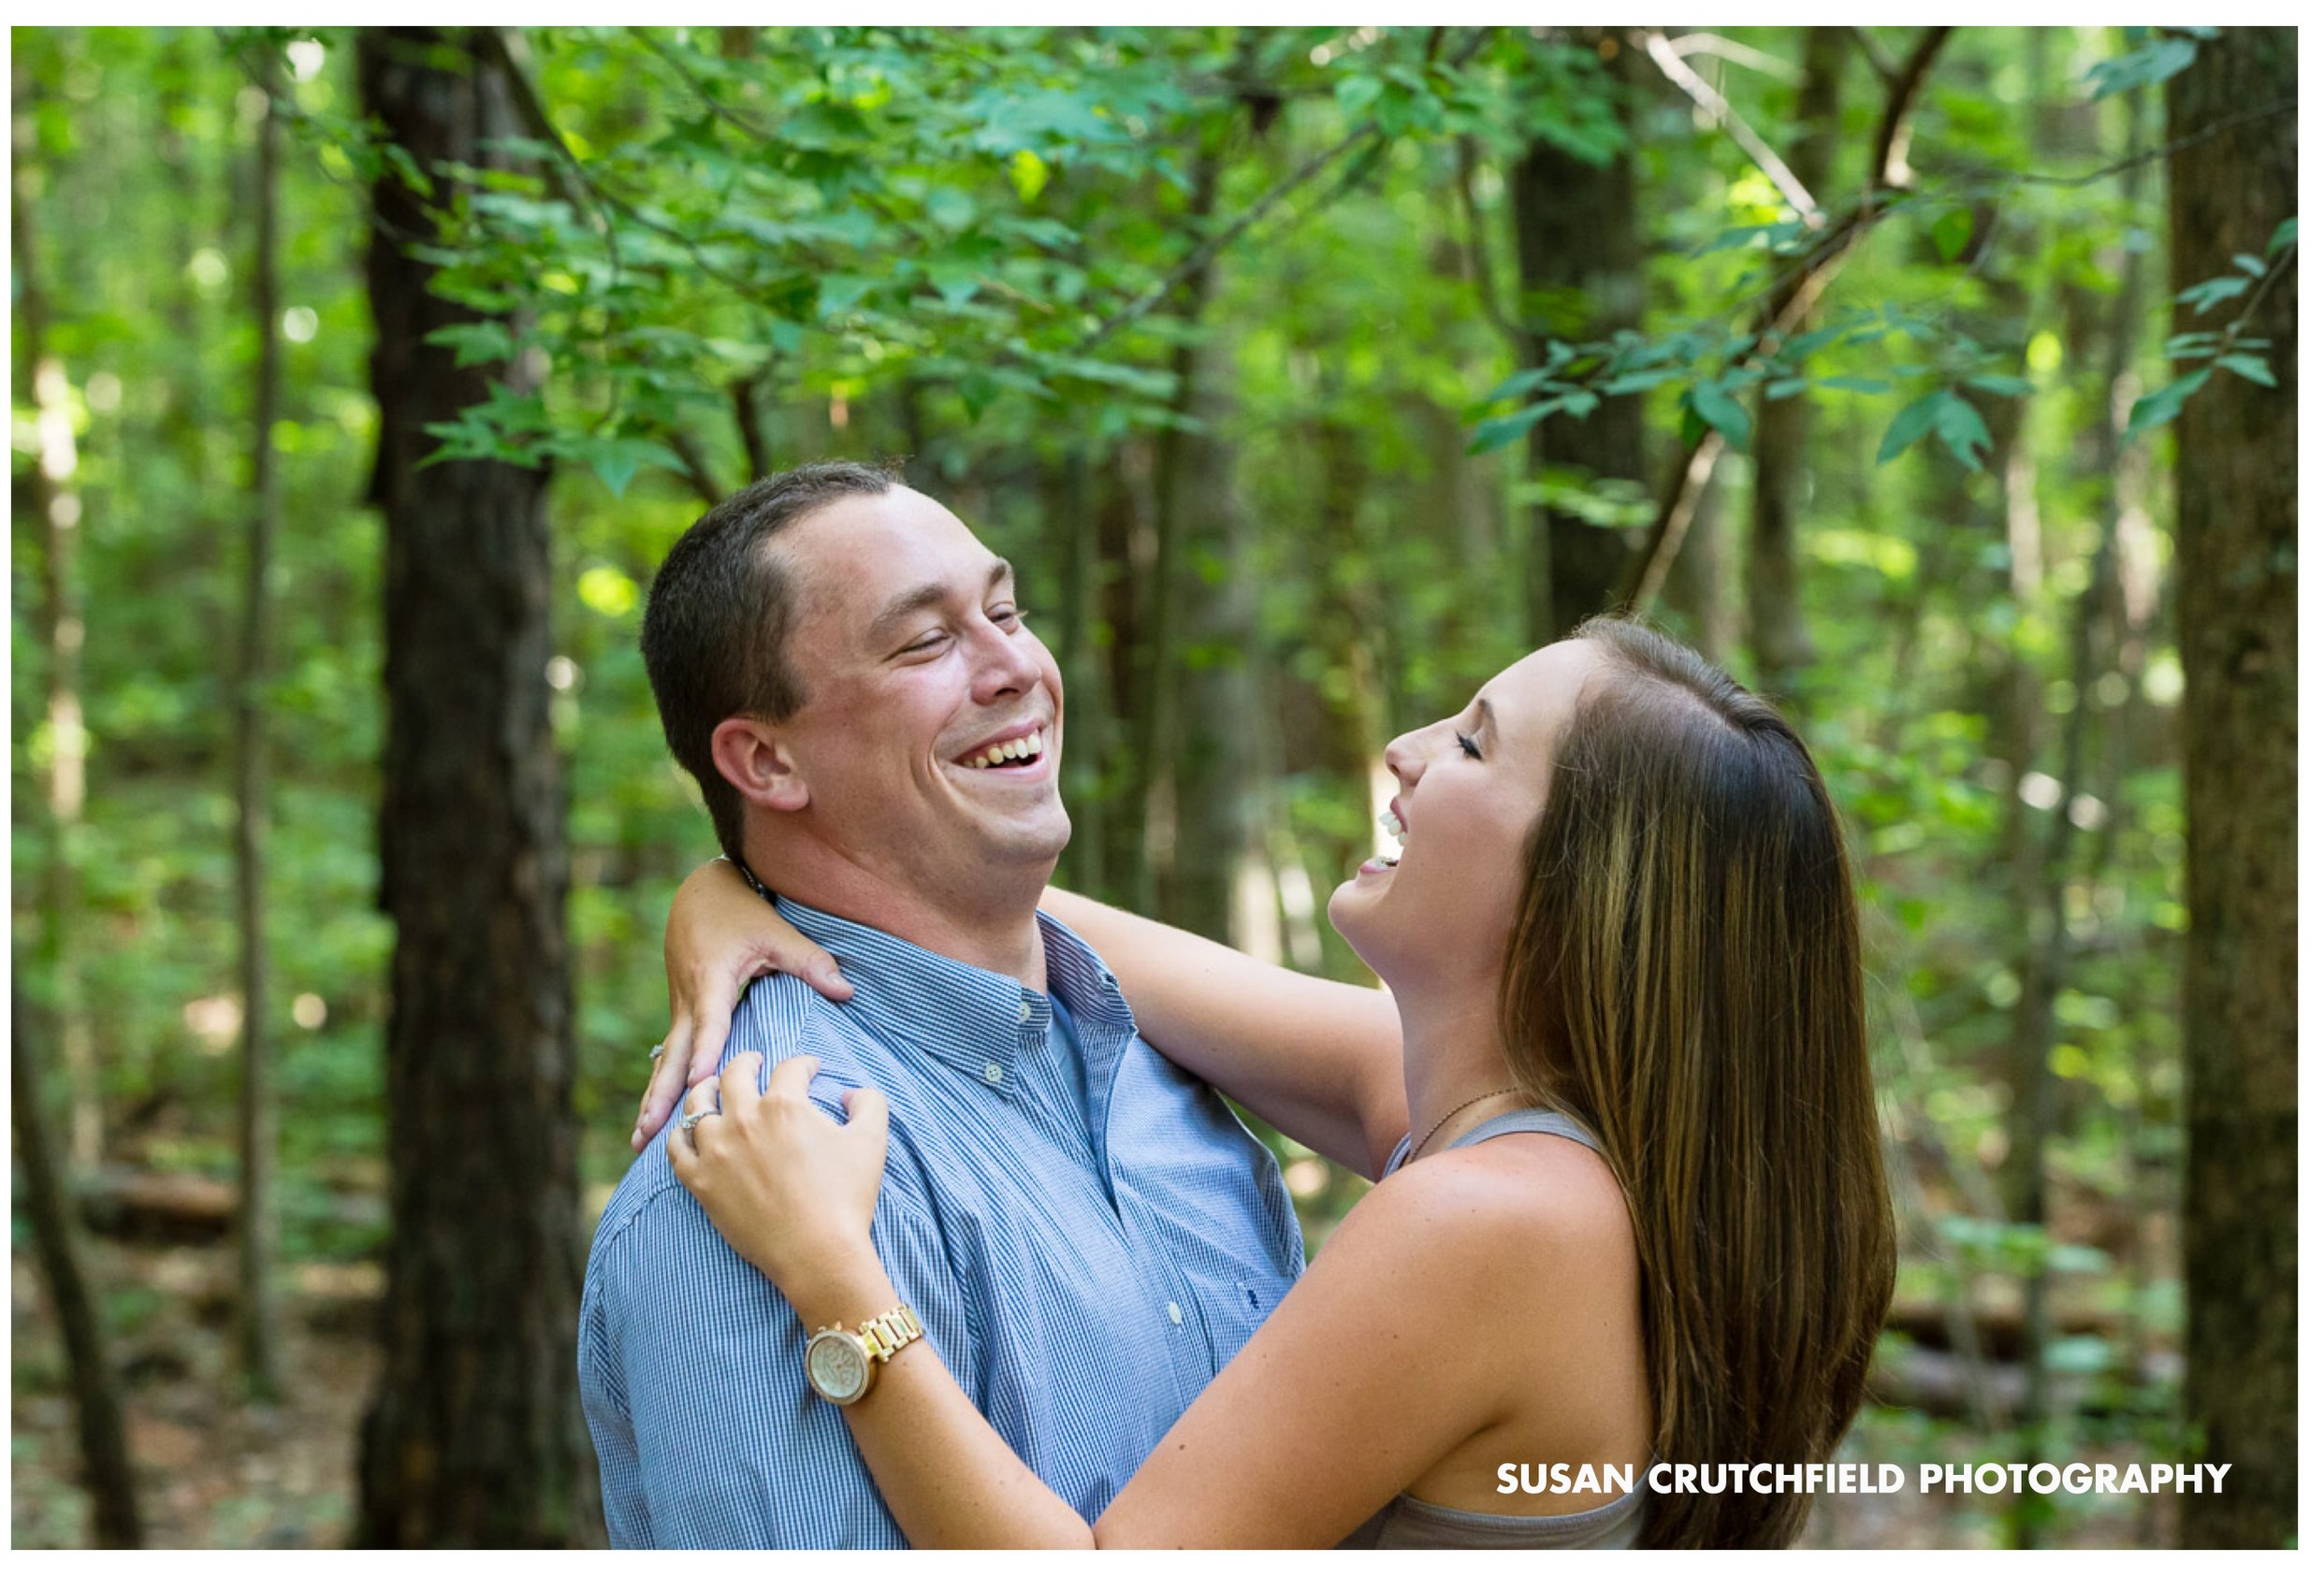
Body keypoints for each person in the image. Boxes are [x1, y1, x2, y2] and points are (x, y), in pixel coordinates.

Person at [647, 618, 1899, 1547]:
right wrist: (741, 885)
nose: (1405, 750)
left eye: (1472, 743)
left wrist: (833, 1276)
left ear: (1577, 884)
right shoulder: (1505, 1130)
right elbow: (1002, 925)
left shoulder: (1488, 1221)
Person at [578, 459, 1306, 1549]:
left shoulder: (1165, 1069)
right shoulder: (753, 1176)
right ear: (767, 758)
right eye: (925, 641)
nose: (1015, 664)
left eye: (1007, 611)